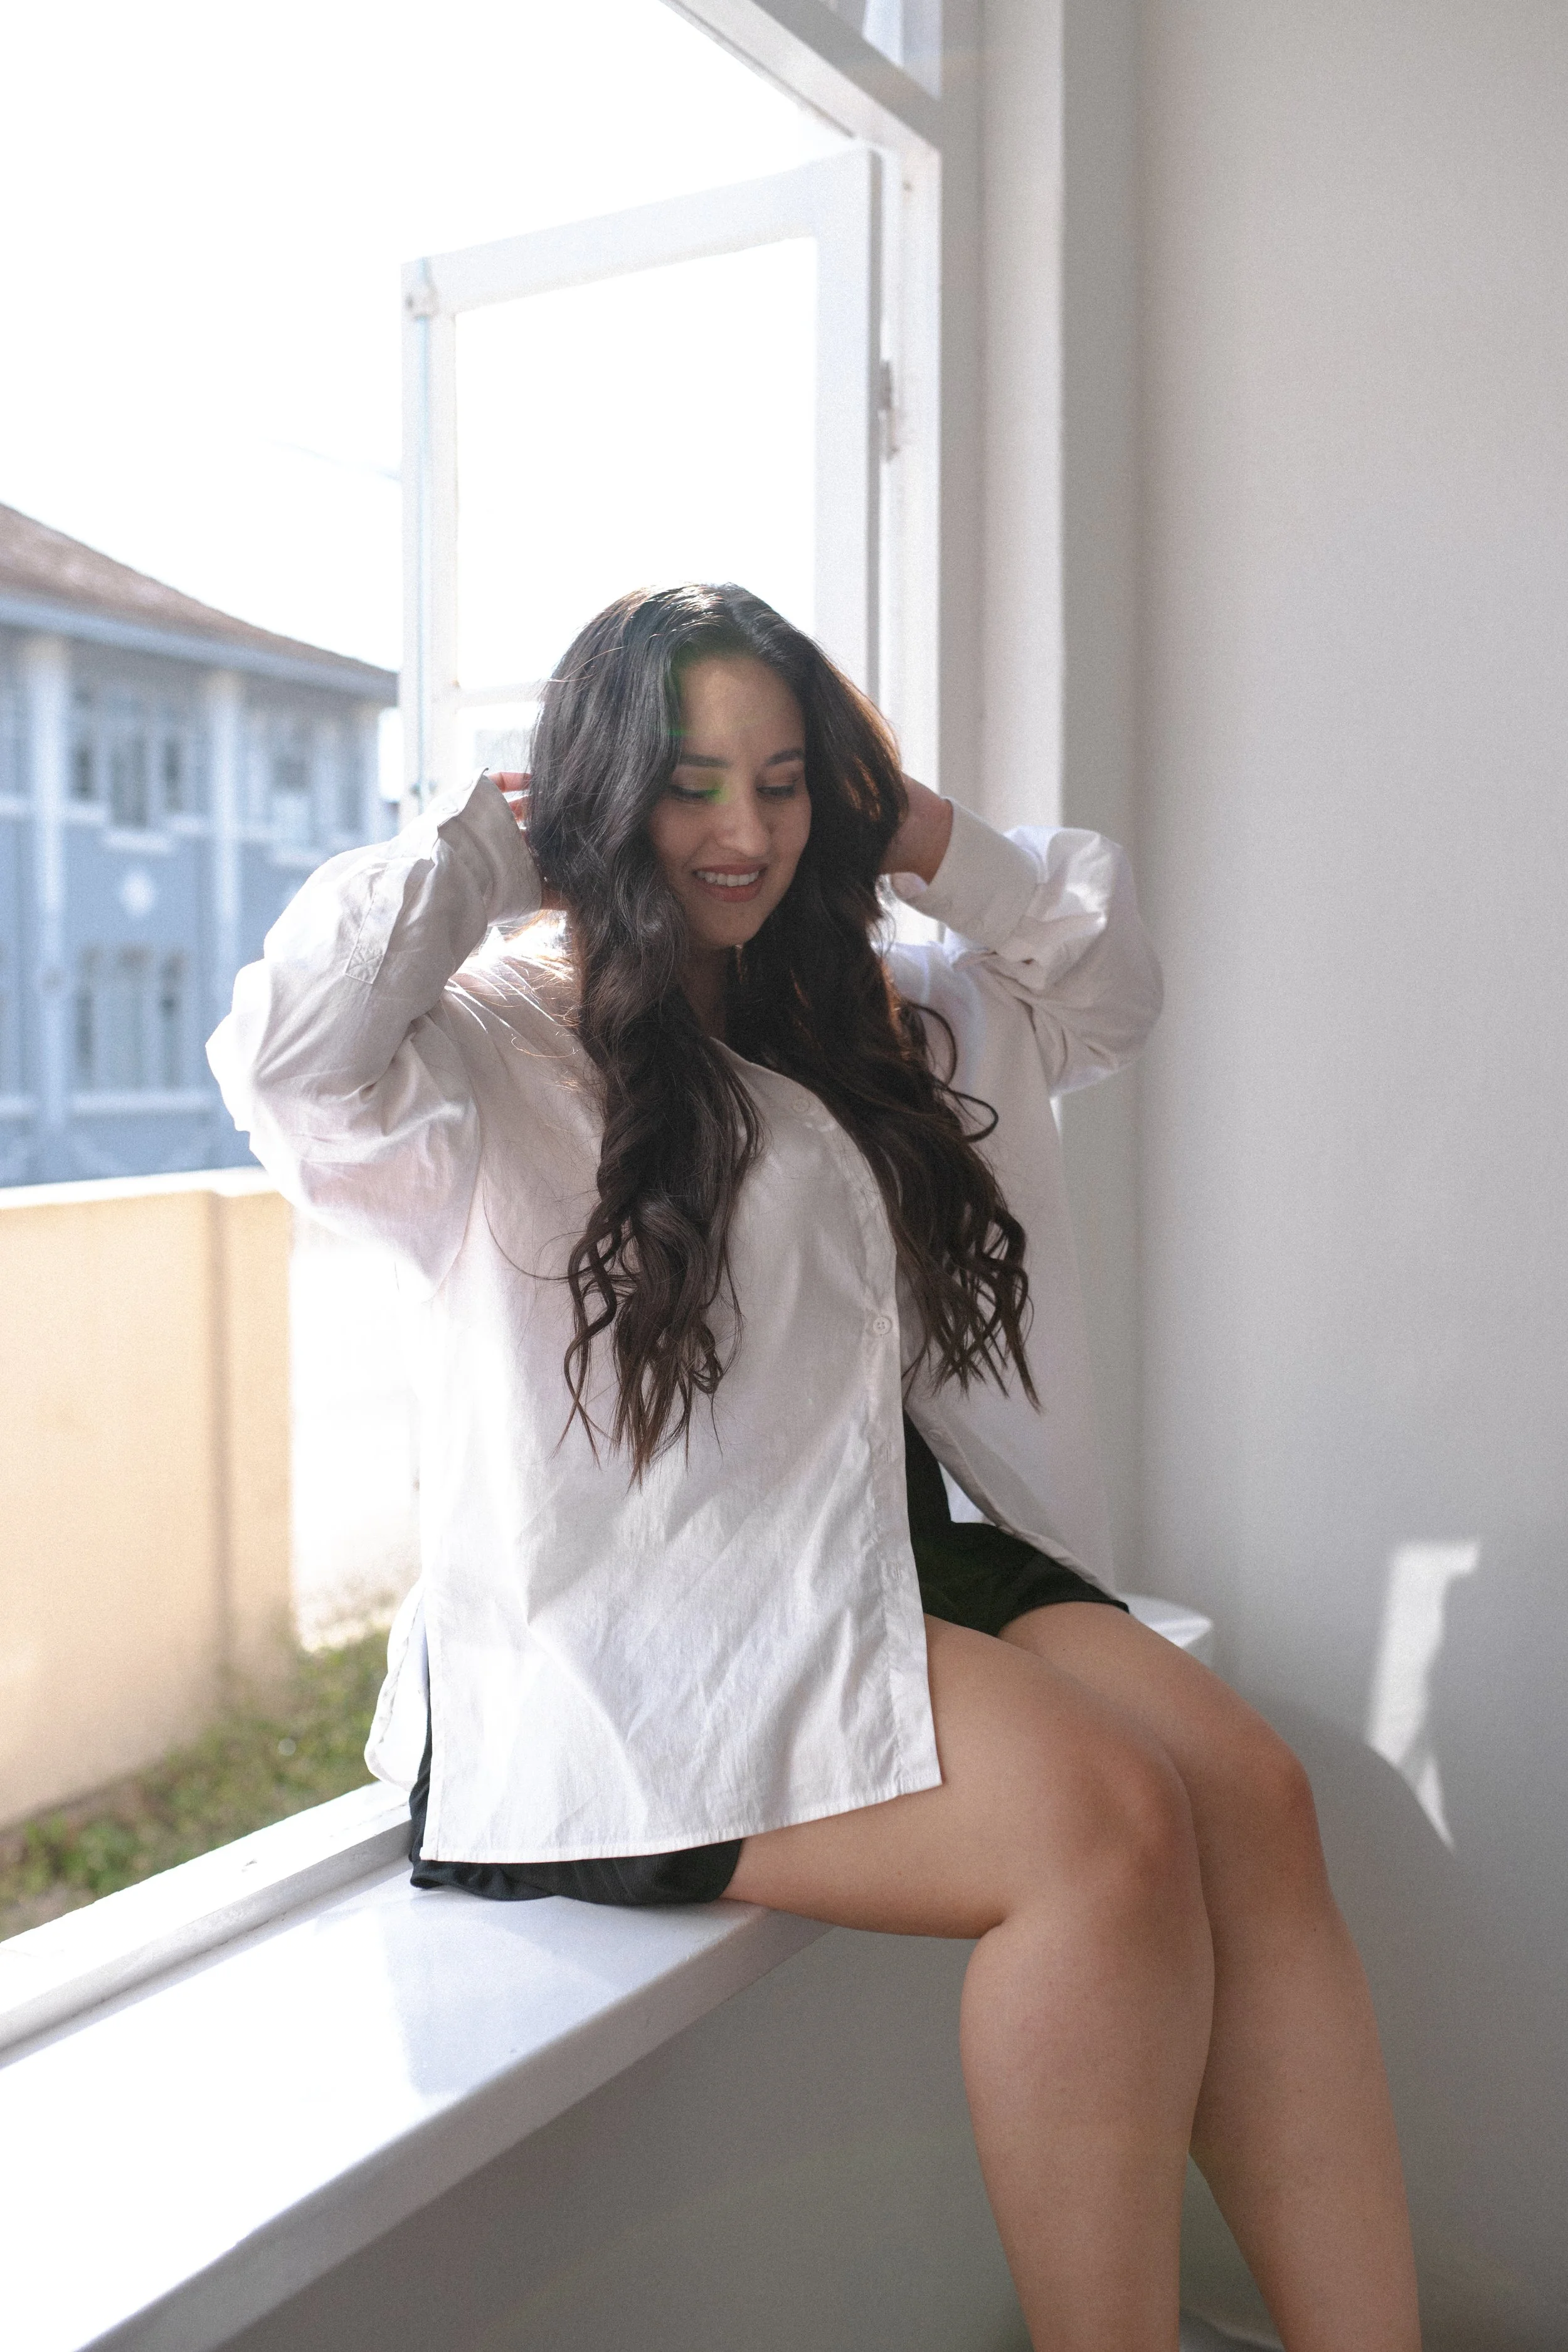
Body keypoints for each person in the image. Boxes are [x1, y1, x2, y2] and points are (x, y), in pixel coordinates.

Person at [209, 583, 1420, 2350]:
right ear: (606, 788)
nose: (744, 832)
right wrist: (492, 841)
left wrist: (905, 819)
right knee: (1102, 1829)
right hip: (626, 1633)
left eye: (784, 784)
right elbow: (287, 1053)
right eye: (692, 784)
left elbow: (1100, 977)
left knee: (1254, 1790)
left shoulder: (861, 998)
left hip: (875, 1545)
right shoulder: (488, 1038)